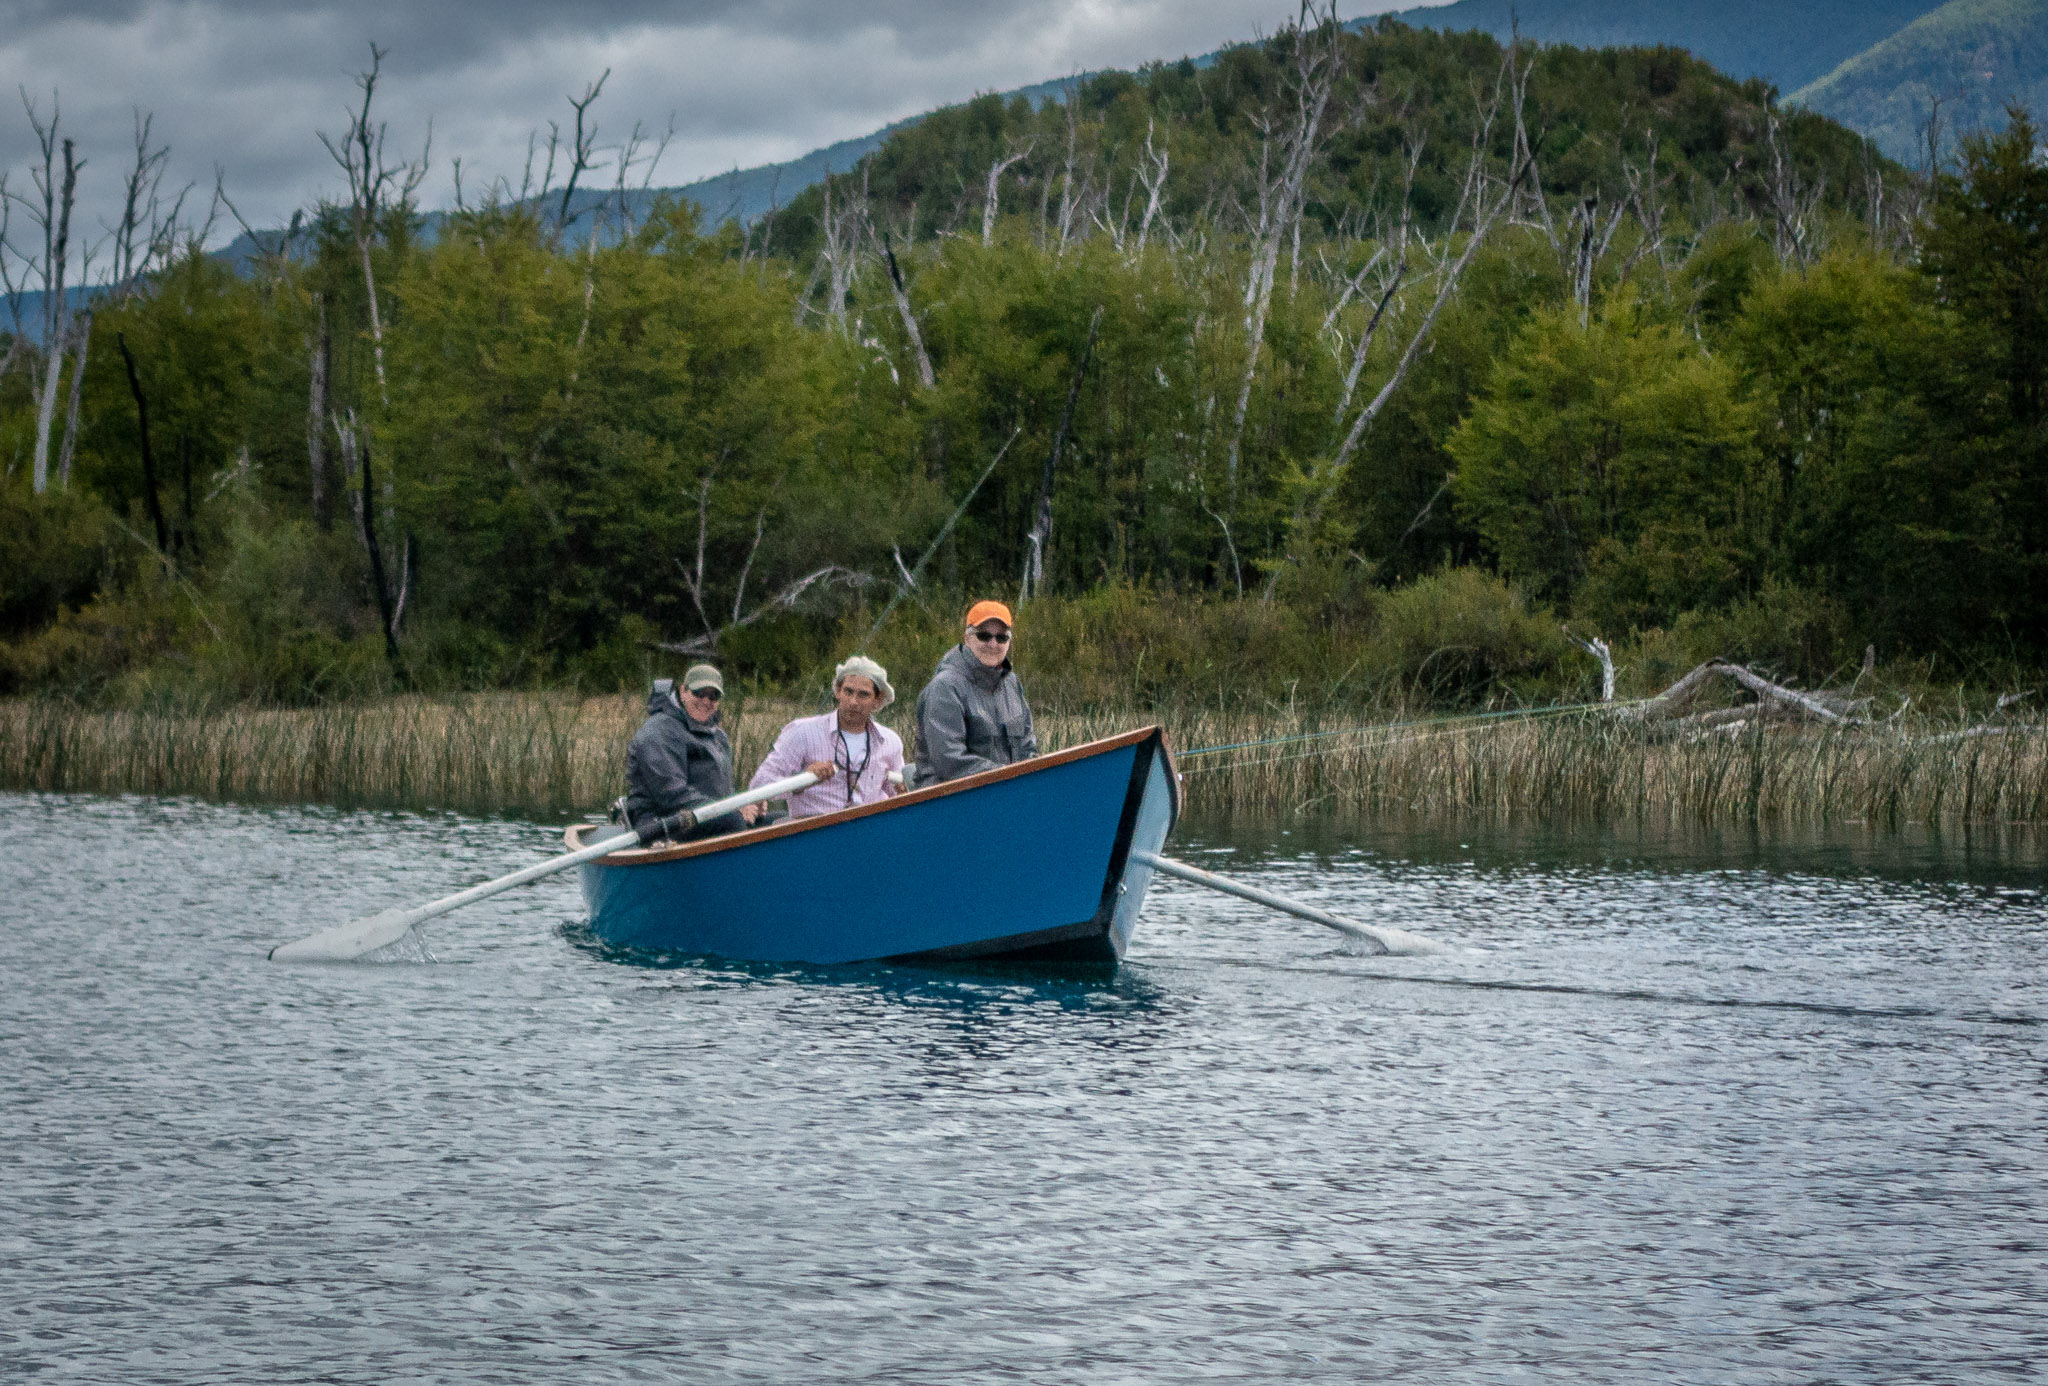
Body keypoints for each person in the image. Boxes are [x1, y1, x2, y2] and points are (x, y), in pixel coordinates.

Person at [748, 655, 906, 819]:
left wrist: (904, 790)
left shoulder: (890, 742)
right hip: (814, 831)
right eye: (848, 691)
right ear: (838, 691)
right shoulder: (802, 731)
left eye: (863, 695)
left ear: (877, 700)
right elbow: (760, 784)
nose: (853, 701)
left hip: (868, 831)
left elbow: (898, 792)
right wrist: (801, 781)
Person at [914, 599, 1036, 785]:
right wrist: (1006, 775)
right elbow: (948, 761)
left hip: (1005, 791)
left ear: (1009, 642)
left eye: (1001, 638)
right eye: (984, 636)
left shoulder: (1012, 684)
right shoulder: (945, 687)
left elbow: (1028, 748)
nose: (993, 644)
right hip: (949, 798)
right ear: (967, 638)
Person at [623, 664, 748, 841]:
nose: (706, 701)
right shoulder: (659, 731)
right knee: (734, 821)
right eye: (699, 693)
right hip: (661, 822)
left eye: (713, 696)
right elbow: (671, 794)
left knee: (777, 819)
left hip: (710, 817)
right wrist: (731, 810)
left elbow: (722, 793)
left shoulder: (717, 735)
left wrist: (745, 804)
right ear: (683, 691)